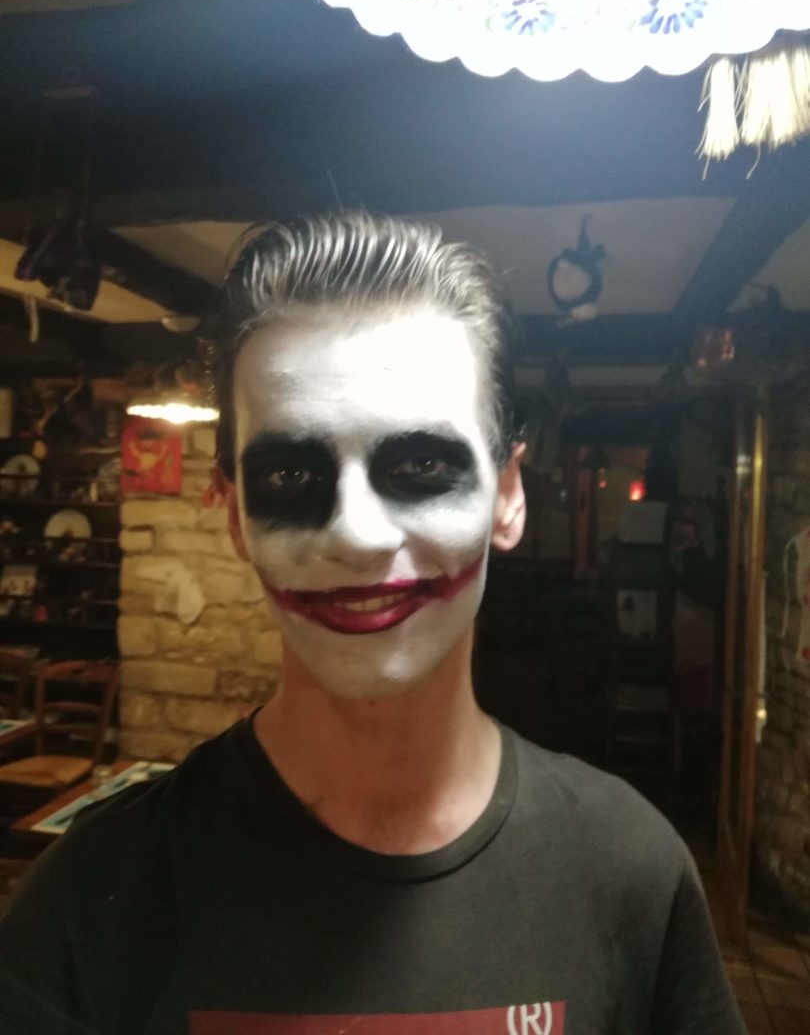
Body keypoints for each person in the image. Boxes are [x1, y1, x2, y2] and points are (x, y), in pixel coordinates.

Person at [0, 213, 743, 1034]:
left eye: (420, 465)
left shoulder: (631, 870)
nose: (355, 535)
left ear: (507, 496)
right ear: (235, 515)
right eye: (290, 475)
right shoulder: (89, 903)